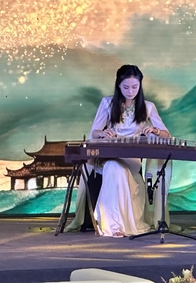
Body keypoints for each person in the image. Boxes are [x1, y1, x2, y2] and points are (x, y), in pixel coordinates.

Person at [66, 64, 172, 237]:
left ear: (140, 85)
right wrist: (103, 133)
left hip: (132, 159)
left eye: (135, 87)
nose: (130, 91)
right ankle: (113, 225)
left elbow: (166, 135)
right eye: (126, 87)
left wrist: (154, 130)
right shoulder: (107, 103)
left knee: (118, 169)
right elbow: (94, 133)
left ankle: (121, 224)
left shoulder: (148, 107)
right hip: (110, 156)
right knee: (114, 168)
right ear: (118, 85)